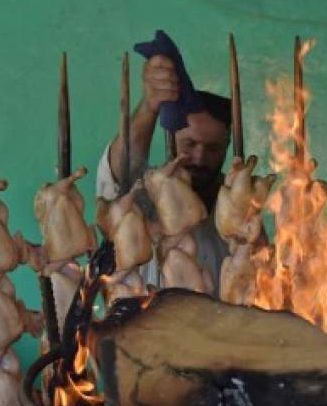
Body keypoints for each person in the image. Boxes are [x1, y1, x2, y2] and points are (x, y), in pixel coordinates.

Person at [95, 53, 232, 293]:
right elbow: (123, 171)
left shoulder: (237, 205)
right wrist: (150, 105)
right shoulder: (146, 193)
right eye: (189, 144)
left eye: (212, 148)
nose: (199, 157)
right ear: (172, 138)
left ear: (227, 147)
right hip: (146, 327)